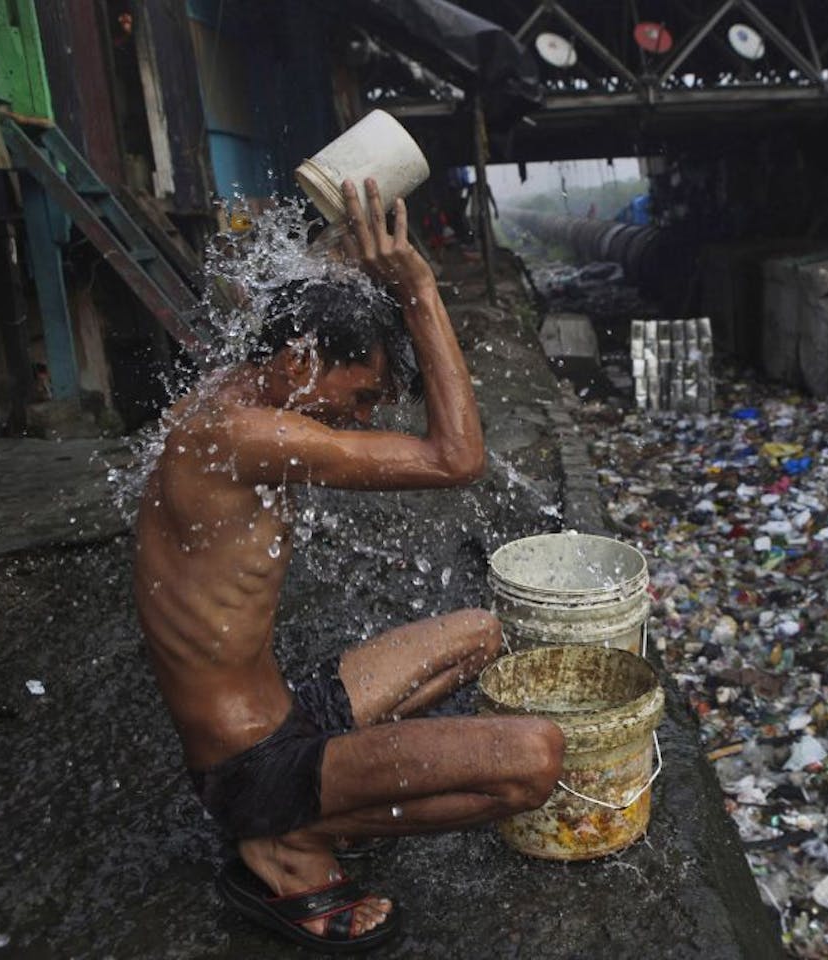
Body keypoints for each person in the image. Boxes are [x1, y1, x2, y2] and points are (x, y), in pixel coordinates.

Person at [134, 179, 564, 952]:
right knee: (535, 762)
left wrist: (355, 249)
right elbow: (457, 458)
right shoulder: (244, 435)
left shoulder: (241, 382)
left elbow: (296, 294)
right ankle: (284, 837)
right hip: (251, 764)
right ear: (300, 359)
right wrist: (422, 289)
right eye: (360, 396)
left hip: (284, 713)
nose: (363, 419)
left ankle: (315, 803)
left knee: (480, 631)